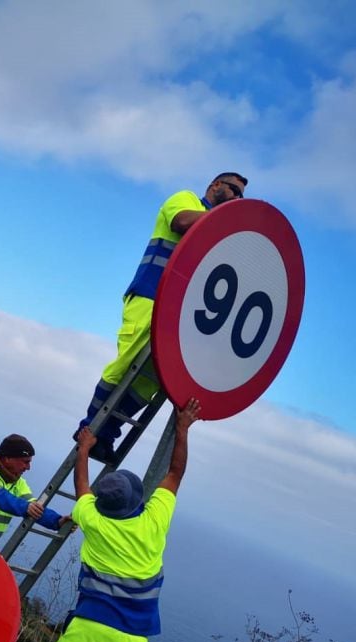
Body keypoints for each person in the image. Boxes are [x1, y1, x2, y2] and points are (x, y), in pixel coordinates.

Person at [41, 398, 201, 642]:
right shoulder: (153, 523)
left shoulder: (92, 520)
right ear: (136, 501)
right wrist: (183, 428)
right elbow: (176, 471)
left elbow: (81, 488)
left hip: (91, 631)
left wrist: (83, 450)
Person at [78, 173, 245, 462]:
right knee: (128, 361)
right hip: (150, 294)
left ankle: (107, 434)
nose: (236, 199)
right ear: (215, 185)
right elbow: (180, 222)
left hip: (177, 311)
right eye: (234, 191)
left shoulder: (218, 235)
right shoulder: (186, 200)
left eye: (241, 197)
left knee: (152, 379)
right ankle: (89, 429)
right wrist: (226, 220)